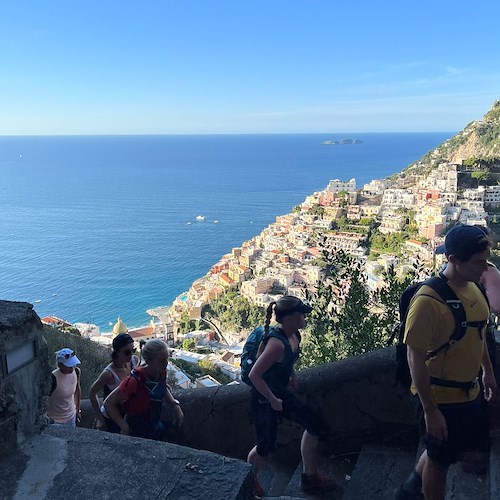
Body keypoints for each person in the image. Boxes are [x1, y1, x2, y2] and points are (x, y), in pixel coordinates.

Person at [397, 224, 497, 500]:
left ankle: (411, 486)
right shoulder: (428, 302)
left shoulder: (474, 287)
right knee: (440, 465)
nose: (485, 268)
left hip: (469, 392)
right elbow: (413, 357)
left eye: (486, 260)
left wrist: (487, 371)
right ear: (453, 260)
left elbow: (479, 333)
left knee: (443, 451)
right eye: (478, 262)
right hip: (440, 399)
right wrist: (430, 410)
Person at [246, 296, 336, 497]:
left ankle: (309, 477)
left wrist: (292, 375)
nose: (305, 316)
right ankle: (249, 481)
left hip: (281, 393)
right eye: (301, 313)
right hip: (264, 398)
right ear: (289, 318)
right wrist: (272, 400)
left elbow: (287, 361)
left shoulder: (294, 335)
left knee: (314, 424)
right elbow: (254, 376)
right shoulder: (276, 344)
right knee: (265, 447)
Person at [104, 339, 183, 441]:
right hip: (137, 429)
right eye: (162, 360)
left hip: (155, 424)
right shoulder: (135, 380)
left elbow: (162, 387)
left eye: (167, 359)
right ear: (149, 360)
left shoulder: (160, 373)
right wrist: (124, 426)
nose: (166, 363)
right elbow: (108, 403)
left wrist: (174, 405)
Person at [89, 333, 140, 432]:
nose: (131, 355)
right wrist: (100, 418)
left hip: (128, 413)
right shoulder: (109, 374)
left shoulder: (134, 362)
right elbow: (92, 392)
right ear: (117, 352)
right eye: (127, 352)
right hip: (112, 418)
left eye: (133, 350)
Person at [47, 348, 82, 427]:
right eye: (69, 365)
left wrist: (78, 410)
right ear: (60, 365)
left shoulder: (76, 372)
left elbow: (77, 390)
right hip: (55, 420)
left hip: (71, 415)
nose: (72, 367)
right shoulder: (53, 378)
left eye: (73, 364)